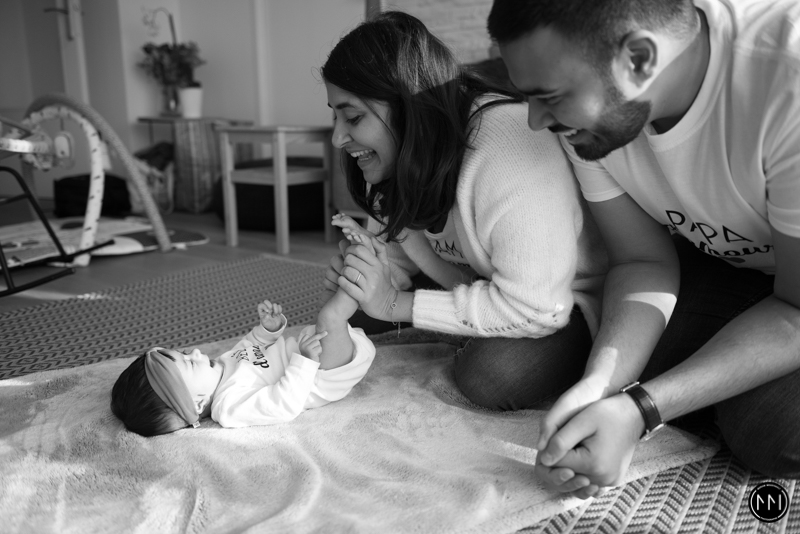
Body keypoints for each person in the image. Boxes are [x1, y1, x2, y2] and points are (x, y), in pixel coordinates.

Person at [487, 0, 800, 498]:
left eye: (549, 97)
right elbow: (641, 260)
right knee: (607, 365)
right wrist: (601, 387)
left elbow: (795, 308)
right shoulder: (588, 120)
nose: (535, 122)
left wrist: (642, 409)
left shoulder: (787, 81)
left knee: (769, 429)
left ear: (638, 58)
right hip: (733, 265)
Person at [320, 11, 608, 411]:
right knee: (352, 317)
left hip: (562, 300)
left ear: (407, 106)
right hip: (474, 280)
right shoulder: (394, 155)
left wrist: (392, 304)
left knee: (490, 376)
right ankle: (467, 321)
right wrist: (363, 275)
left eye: (352, 117)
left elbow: (539, 306)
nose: (338, 137)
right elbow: (396, 258)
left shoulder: (504, 145)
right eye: (335, 115)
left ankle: (476, 327)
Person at [110, 289, 375, 436]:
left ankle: (365, 273)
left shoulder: (222, 365)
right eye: (189, 363)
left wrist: (268, 329)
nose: (197, 353)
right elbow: (282, 405)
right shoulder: (229, 406)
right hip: (326, 373)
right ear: (197, 403)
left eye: (186, 352)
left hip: (311, 345)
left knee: (330, 293)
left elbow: (252, 346)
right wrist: (305, 361)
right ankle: (369, 276)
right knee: (331, 314)